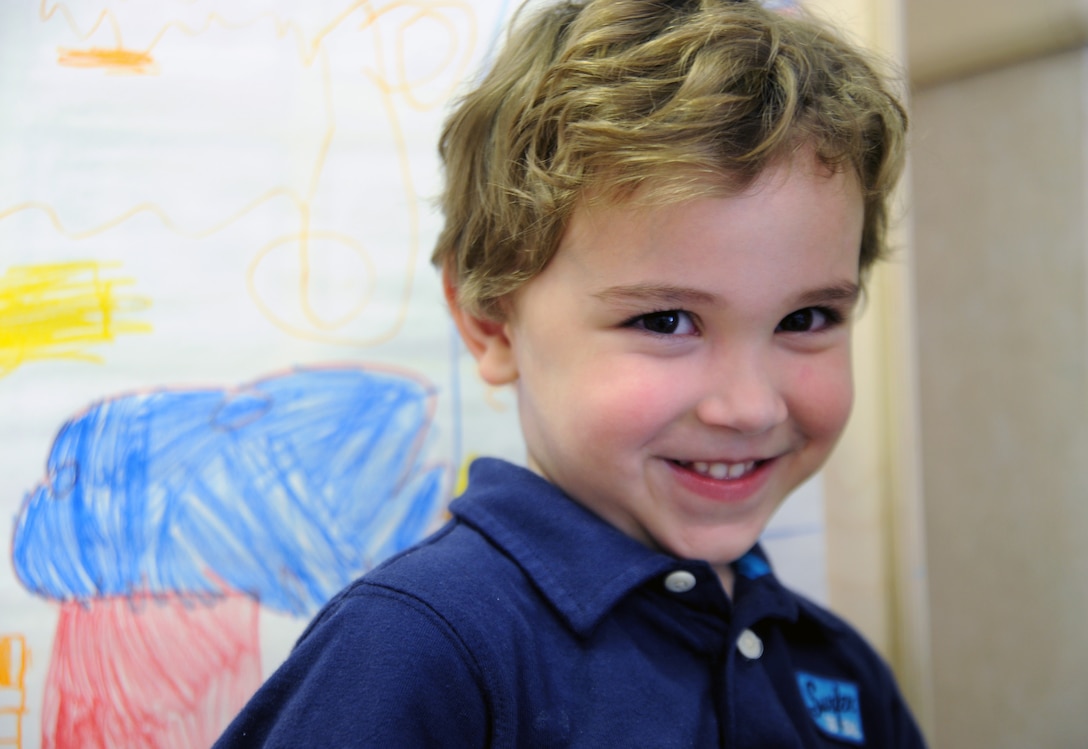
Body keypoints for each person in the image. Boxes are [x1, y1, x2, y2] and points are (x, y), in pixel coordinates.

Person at [215, 0, 924, 745]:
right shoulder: (419, 646)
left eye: (805, 320)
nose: (748, 407)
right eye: (665, 321)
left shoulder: (841, 672)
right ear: (491, 323)